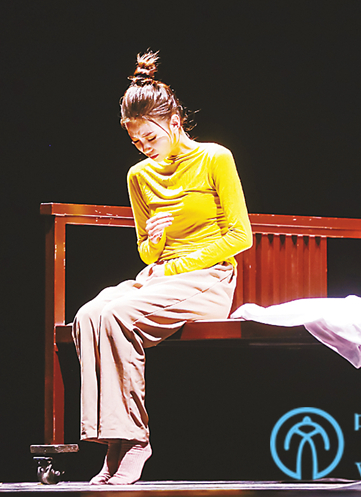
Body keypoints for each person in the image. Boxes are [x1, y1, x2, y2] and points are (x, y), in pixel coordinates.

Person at [72, 50, 252, 485]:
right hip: (161, 279)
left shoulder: (214, 158)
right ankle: (113, 441)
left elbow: (240, 236)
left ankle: (134, 441)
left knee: (117, 314)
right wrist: (155, 240)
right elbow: (147, 254)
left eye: (149, 137)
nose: (144, 147)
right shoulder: (138, 176)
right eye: (136, 141)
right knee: (89, 315)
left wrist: (176, 266)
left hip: (208, 280)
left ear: (173, 121)